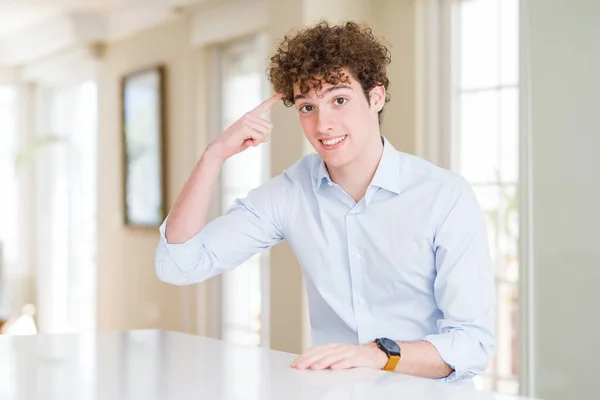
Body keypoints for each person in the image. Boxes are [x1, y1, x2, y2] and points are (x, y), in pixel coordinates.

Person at [155, 21, 495, 386]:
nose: (323, 124)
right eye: (307, 107)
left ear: (375, 97)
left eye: (339, 100)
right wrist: (213, 156)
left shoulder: (444, 196)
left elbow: (472, 344)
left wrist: (377, 355)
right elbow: (179, 266)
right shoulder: (291, 193)